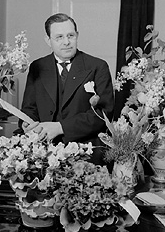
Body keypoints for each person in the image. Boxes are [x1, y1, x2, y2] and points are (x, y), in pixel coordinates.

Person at [21, 13, 114, 164]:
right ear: (48, 40)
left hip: (86, 152)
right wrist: (26, 123)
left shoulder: (98, 67)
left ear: (77, 35)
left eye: (70, 36)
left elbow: (103, 115)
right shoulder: (37, 67)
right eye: (59, 37)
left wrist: (60, 127)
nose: (66, 42)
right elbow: (29, 108)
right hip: (44, 153)